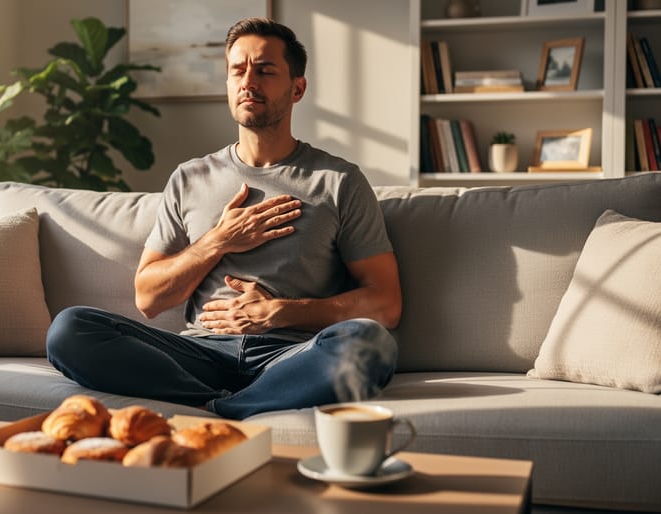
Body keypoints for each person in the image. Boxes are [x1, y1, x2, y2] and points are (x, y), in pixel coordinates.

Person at [46, 17, 402, 420]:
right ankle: (222, 402)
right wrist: (219, 240)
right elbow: (148, 297)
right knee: (70, 329)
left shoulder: (338, 181)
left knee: (370, 343)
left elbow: (386, 304)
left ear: (297, 88)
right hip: (200, 352)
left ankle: (222, 408)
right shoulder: (190, 177)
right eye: (238, 70)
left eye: (265, 71)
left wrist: (281, 312)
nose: (248, 80)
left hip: (293, 355)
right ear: (229, 84)